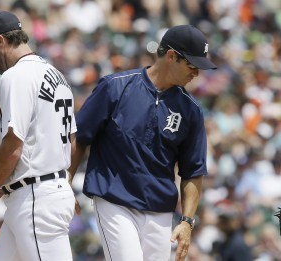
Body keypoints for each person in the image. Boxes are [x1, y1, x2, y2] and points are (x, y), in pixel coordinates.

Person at [68, 25, 217, 261]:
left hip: (159, 211)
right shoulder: (115, 87)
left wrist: (187, 221)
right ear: (171, 56)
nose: (197, 73)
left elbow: (193, 172)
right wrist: (66, 182)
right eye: (192, 65)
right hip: (114, 201)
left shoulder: (191, 110)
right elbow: (80, 136)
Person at [0, 10, 77, 260]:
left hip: (37, 199)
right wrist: (8, 178)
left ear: (0, 41)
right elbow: (72, 141)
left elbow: (13, 146)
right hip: (37, 192)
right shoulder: (56, 74)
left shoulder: (16, 76)